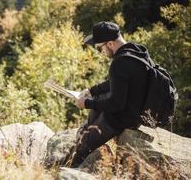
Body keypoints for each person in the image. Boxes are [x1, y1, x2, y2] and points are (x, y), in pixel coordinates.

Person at [65, 21, 151, 167]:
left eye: (99, 48)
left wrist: (85, 103)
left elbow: (116, 104)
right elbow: (116, 82)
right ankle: (89, 129)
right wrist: (91, 91)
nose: (101, 53)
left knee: (84, 145)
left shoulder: (119, 64)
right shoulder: (136, 51)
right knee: (97, 98)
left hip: (124, 117)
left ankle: (68, 171)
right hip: (136, 107)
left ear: (110, 44)